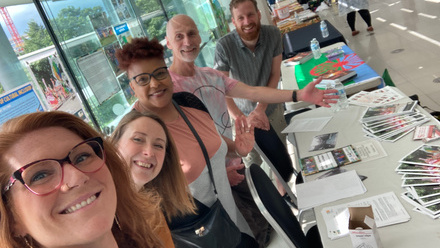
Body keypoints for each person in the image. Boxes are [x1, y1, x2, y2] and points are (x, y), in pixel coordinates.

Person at [165, 13, 337, 247]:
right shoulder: (167, 89)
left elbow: (254, 92)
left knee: (254, 233)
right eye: (179, 36)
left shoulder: (211, 76)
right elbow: (177, 149)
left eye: (192, 33)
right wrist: (214, 171)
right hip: (206, 185)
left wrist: (297, 95)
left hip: (231, 165)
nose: (187, 41)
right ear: (168, 43)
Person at [115, 37, 258, 246]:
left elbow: (209, 147)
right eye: (143, 79)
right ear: (132, 87)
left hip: (229, 221)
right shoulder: (134, 132)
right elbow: (131, 195)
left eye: (159, 73)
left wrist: (237, 149)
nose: (154, 83)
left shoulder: (189, 103)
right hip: (194, 236)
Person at [0, 111, 167, 248]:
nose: (78, 177)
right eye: (40, 175)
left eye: (82, 157)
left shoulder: (151, 235)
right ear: (11, 218)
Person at [110, 111, 196, 222]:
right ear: (114, 145)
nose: (149, 152)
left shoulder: (155, 211)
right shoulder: (102, 210)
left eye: (158, 145)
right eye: (138, 139)